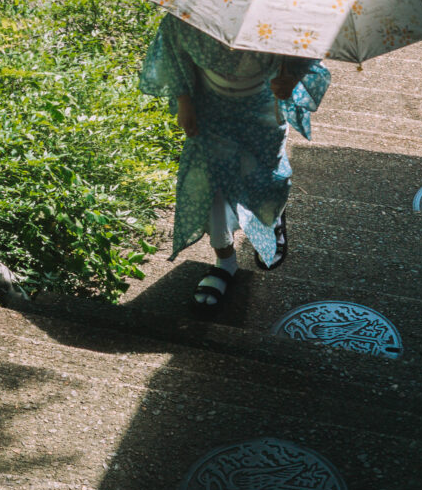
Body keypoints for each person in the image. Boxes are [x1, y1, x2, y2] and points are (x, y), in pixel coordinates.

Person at [139, 15, 330, 311]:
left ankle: (273, 216)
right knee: (210, 186)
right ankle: (224, 260)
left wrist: (291, 79)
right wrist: (184, 101)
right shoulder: (190, 13)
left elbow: (309, 50)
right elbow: (173, 54)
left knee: (263, 179)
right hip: (210, 110)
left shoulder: (284, 15)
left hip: (263, 110)